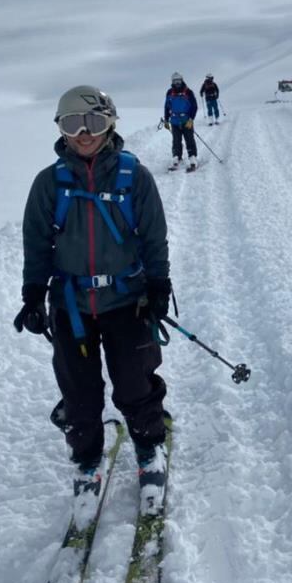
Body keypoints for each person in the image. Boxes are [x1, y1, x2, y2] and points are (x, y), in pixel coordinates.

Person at [15, 85, 172, 511]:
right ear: (61, 130)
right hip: (71, 307)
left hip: (127, 302)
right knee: (79, 392)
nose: (84, 134)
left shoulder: (133, 177)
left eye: (94, 123)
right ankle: (86, 460)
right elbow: (37, 242)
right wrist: (33, 293)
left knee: (135, 382)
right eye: (72, 125)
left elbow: (154, 237)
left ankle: (149, 447)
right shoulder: (49, 184)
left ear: (111, 123)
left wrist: (159, 285)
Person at [163, 72, 198, 170]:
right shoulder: (169, 93)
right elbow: (167, 106)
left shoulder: (188, 92)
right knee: (176, 141)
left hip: (186, 121)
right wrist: (166, 119)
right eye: (175, 81)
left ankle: (192, 157)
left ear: (182, 80)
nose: (177, 83)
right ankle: (176, 157)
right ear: (172, 82)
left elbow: (194, 106)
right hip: (174, 121)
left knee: (189, 139)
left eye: (179, 81)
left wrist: (191, 119)